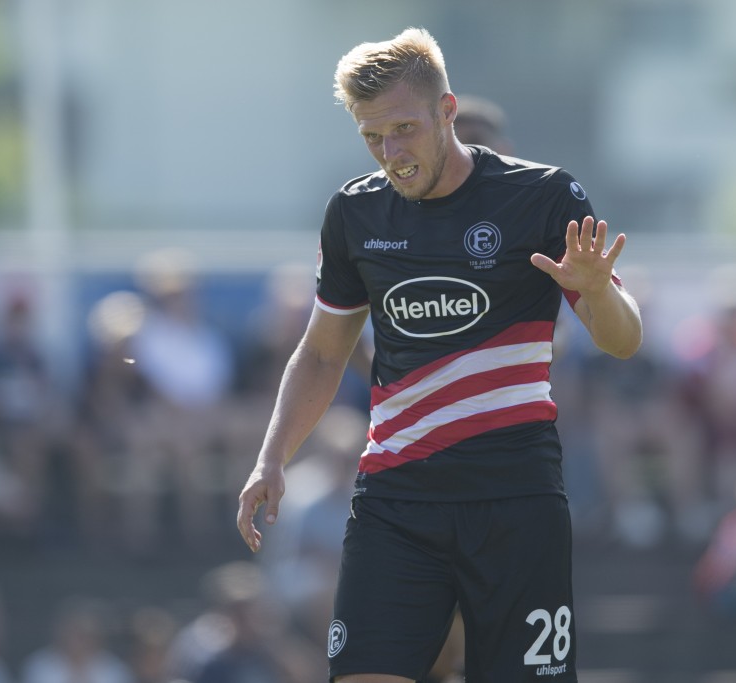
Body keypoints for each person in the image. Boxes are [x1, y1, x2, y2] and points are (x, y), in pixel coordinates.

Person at [236, 27, 642, 683]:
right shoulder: (354, 214)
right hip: (397, 503)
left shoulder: (543, 197)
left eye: (404, 129)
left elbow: (623, 339)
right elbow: (320, 352)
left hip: (516, 502)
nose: (391, 153)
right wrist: (272, 455)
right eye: (373, 136)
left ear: (446, 111)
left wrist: (596, 288)